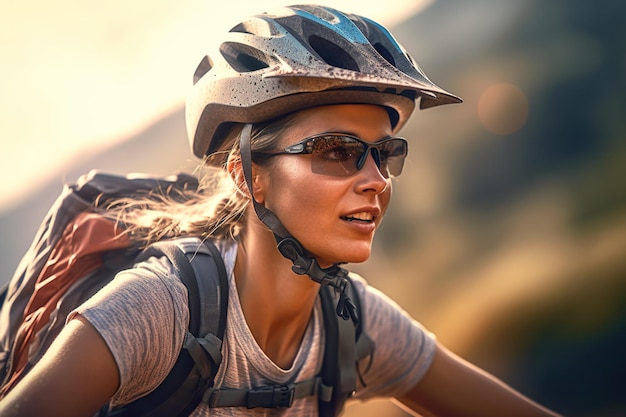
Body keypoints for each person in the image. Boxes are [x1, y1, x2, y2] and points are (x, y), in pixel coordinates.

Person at [0, 5, 562, 417]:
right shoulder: (159, 309)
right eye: (337, 152)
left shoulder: (352, 324)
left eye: (385, 154)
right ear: (248, 177)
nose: (375, 180)